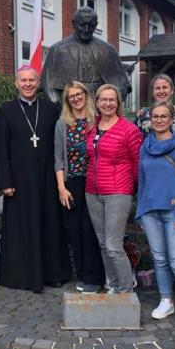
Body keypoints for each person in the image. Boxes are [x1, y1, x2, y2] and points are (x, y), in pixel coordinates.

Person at [0, 66, 70, 292]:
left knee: (50, 225)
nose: (28, 84)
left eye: (32, 80)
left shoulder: (51, 109)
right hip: (19, 182)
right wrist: (5, 182)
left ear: (38, 83)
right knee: (21, 227)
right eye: (23, 81)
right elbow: (1, 149)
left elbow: (60, 144)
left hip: (48, 179)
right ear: (16, 84)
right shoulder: (6, 110)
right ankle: (22, 276)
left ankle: (53, 273)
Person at [136, 101, 175, 326]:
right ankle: (166, 300)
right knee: (160, 260)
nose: (159, 120)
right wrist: (141, 211)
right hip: (150, 212)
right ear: (150, 120)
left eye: (164, 116)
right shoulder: (146, 145)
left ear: (171, 120)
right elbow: (142, 180)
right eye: (156, 116)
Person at [86, 84, 143, 293]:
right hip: (92, 191)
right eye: (103, 99)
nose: (107, 103)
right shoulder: (93, 126)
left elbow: (138, 163)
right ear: (97, 102)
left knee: (113, 245)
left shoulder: (129, 129)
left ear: (118, 103)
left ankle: (126, 290)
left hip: (118, 192)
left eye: (112, 99)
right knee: (103, 244)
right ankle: (114, 284)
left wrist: (132, 188)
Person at [54, 81, 103, 294]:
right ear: (67, 100)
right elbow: (58, 158)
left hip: (94, 181)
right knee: (75, 232)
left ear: (85, 94)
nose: (76, 98)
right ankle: (82, 275)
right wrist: (61, 188)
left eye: (79, 93)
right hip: (72, 183)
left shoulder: (97, 120)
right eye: (71, 96)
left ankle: (94, 277)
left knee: (89, 229)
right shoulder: (62, 124)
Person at [41, 7, 131, 103]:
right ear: (74, 24)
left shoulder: (108, 50)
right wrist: (58, 105)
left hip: (100, 109)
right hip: (68, 108)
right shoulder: (58, 50)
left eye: (91, 25)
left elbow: (122, 85)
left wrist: (110, 104)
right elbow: (47, 85)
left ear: (96, 25)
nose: (86, 29)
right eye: (82, 25)